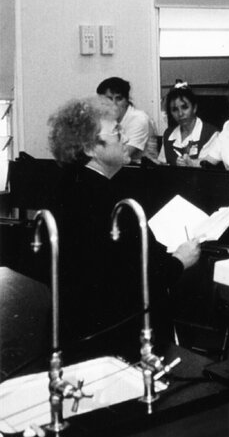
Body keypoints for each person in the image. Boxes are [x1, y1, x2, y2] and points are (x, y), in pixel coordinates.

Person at [48, 96, 201, 356]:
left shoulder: (69, 184)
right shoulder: (108, 201)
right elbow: (138, 277)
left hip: (77, 326)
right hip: (116, 334)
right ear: (90, 148)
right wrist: (180, 261)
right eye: (118, 132)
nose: (126, 138)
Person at [96, 76, 158, 163]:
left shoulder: (140, 118)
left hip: (142, 169)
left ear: (127, 100)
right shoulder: (105, 119)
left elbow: (122, 156)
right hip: (113, 168)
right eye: (109, 99)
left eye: (119, 99)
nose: (114, 104)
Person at [158, 82, 219, 166]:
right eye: (175, 109)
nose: (180, 114)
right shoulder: (168, 135)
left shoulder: (210, 134)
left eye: (184, 107)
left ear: (194, 108)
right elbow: (162, 165)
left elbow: (205, 167)